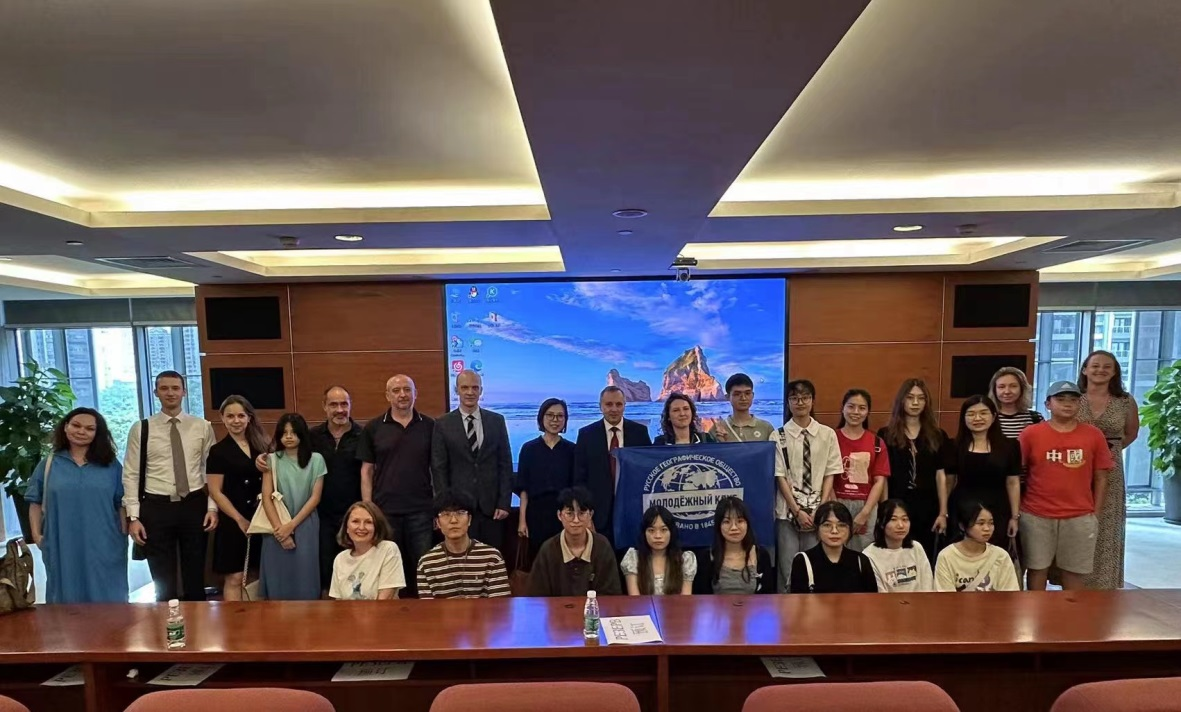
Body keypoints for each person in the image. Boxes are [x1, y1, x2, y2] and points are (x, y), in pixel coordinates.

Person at [123, 371, 217, 602]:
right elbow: (131, 473)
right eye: (164, 388)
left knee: (195, 574)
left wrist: (212, 507)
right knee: (162, 578)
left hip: (193, 504)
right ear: (156, 392)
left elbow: (211, 470)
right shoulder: (141, 428)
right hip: (156, 506)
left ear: (184, 392)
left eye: (175, 388)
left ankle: (198, 619)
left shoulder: (202, 427)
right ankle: (166, 619)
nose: (170, 393)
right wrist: (133, 517)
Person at [1019, 380, 1114, 592]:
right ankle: (1037, 610)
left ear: (1080, 404)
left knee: (1074, 572)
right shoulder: (1031, 434)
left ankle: (1072, 611)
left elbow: (1101, 476)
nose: (1067, 404)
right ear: (1048, 404)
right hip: (1036, 515)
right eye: (1060, 399)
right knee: (1037, 569)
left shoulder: (1093, 435)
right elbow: (1015, 474)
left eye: (1073, 400)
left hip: (1079, 516)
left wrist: (1095, 513)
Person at [26, 408, 127, 603]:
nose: (81, 431)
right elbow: (35, 501)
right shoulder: (49, 464)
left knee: (108, 596)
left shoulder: (110, 465)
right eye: (76, 425)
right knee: (65, 596)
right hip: (61, 541)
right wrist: (37, 535)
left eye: (90, 428)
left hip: (104, 542)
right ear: (65, 427)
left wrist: (122, 535)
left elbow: (121, 502)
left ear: (97, 433)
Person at [359, 375, 434, 597]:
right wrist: (368, 509)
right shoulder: (373, 427)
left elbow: (438, 468)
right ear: (388, 395)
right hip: (385, 511)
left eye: (407, 390)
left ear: (415, 393)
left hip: (421, 510)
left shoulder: (430, 426)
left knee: (423, 567)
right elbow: (366, 470)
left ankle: (425, 611)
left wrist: (438, 507)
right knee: (390, 569)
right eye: (396, 390)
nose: (402, 394)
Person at [770, 379, 842, 592]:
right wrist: (797, 510)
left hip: (818, 511)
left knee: (814, 567)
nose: (800, 402)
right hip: (787, 512)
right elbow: (779, 476)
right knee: (787, 568)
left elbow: (830, 473)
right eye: (794, 398)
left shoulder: (827, 434)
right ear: (788, 402)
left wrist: (821, 508)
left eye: (805, 398)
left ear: (812, 401)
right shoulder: (778, 435)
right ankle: (786, 609)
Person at [1076, 350, 1139, 590]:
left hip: (1111, 468)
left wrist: (1107, 452)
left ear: (1114, 372)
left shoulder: (1125, 401)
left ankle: (1104, 581)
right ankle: (1073, 580)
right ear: (1085, 370)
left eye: (1106, 367)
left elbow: (1131, 433)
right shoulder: (1074, 398)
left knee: (1106, 522)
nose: (1100, 370)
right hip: (1076, 465)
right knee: (1076, 520)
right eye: (1095, 366)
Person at [431, 369, 513, 552]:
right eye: (465, 387)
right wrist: (445, 508)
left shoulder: (496, 421)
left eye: (475, 388)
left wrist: (504, 502)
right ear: (457, 390)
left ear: (481, 391)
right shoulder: (443, 424)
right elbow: (439, 468)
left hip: (492, 508)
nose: (470, 392)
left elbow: (505, 464)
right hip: (458, 510)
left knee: (492, 557)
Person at [877, 379, 954, 560]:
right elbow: (883, 476)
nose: (915, 403)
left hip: (928, 506)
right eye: (910, 397)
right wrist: (885, 509)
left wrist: (943, 512)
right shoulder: (886, 434)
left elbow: (941, 476)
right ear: (901, 400)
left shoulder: (937, 435)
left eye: (921, 398)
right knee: (897, 555)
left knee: (926, 555)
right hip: (898, 503)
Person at [573, 386, 652, 549]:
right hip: (598, 515)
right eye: (609, 404)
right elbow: (579, 479)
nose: (614, 409)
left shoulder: (640, 432)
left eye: (618, 404)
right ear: (600, 406)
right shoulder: (586, 435)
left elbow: (647, 472)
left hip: (633, 514)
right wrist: (585, 515)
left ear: (624, 405)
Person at [258, 413, 326, 601]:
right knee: (277, 577)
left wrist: (291, 526)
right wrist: (280, 530)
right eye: (284, 432)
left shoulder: (316, 459)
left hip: (305, 524)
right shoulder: (271, 459)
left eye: (294, 432)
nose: (288, 436)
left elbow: (315, 498)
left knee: (305, 575)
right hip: (275, 525)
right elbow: (266, 497)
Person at [207, 396, 268, 601]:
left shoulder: (262, 446)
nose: (236, 421)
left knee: (256, 573)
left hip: (261, 517)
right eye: (230, 416)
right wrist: (239, 519)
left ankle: (255, 618)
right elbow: (215, 491)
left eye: (241, 416)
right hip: (233, 519)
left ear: (249, 418)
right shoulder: (218, 451)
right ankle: (234, 618)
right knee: (235, 576)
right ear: (222, 418)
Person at [309, 386, 364, 597]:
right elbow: (285, 455)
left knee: (354, 569)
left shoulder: (364, 435)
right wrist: (264, 460)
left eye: (344, 404)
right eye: (334, 404)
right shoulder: (312, 436)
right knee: (325, 569)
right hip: (321, 514)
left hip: (354, 516)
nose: (340, 410)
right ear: (324, 406)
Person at [948, 396, 1021, 550]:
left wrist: (1014, 517)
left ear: (993, 416)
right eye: (971, 414)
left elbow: (1013, 482)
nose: (977, 418)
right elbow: (949, 481)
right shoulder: (954, 446)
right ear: (963, 418)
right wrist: (943, 512)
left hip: (998, 510)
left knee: (995, 554)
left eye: (983, 413)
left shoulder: (1010, 446)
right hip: (963, 508)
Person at [823, 389, 889, 551]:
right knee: (834, 552)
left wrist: (865, 513)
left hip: (866, 505)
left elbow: (879, 481)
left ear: (868, 412)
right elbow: (826, 475)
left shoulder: (877, 442)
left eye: (862, 408)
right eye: (851, 406)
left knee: (863, 555)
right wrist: (835, 508)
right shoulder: (830, 438)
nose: (856, 412)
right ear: (842, 408)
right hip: (836, 502)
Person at [417, 488, 511, 599]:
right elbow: (427, 608)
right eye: (446, 514)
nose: (453, 520)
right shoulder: (426, 563)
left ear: (469, 519)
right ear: (438, 522)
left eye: (460, 513)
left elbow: (500, 605)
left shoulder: (492, 557)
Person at [528, 486, 622, 596]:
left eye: (581, 513)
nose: (576, 520)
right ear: (559, 515)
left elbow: (612, 595)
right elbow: (536, 596)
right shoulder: (548, 550)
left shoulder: (602, 547)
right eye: (569, 514)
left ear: (590, 515)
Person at [516, 398, 575, 560]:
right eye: (550, 415)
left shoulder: (572, 450)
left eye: (560, 416)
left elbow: (575, 488)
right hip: (536, 514)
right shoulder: (529, 449)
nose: (555, 420)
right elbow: (523, 489)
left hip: (563, 513)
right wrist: (522, 520)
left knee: (563, 560)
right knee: (538, 560)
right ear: (541, 417)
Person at [789, 501, 878, 594]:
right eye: (827, 525)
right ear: (817, 528)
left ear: (850, 529)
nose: (834, 531)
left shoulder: (861, 561)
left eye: (841, 525)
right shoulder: (802, 560)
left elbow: (872, 599)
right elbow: (798, 600)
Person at [934, 500, 1020, 592]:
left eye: (991, 523)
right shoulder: (947, 556)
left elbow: (1010, 594)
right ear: (962, 526)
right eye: (980, 523)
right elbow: (945, 596)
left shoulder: (1001, 556)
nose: (987, 528)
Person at [694, 496, 774, 595]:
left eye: (740, 521)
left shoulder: (762, 556)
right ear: (719, 526)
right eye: (727, 522)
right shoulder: (706, 558)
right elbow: (701, 598)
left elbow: (768, 596)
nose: (734, 528)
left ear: (747, 524)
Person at [329, 501, 405, 600]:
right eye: (355, 521)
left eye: (368, 522)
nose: (361, 527)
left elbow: (385, 600)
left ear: (377, 527)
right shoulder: (340, 559)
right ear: (347, 528)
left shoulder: (388, 549)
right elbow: (338, 603)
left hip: (382, 610)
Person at [621, 505, 696, 595]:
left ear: (671, 532)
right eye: (651, 530)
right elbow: (635, 599)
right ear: (644, 533)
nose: (658, 536)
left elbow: (685, 599)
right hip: (642, 605)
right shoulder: (633, 559)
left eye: (663, 530)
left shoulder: (685, 560)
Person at [864, 499, 934, 593]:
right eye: (893, 519)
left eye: (905, 519)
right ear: (881, 523)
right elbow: (879, 594)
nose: (901, 525)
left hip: (920, 601)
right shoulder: (869, 555)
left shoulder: (916, 547)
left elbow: (927, 584)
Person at [713, 373, 775, 443]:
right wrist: (722, 442)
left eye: (747, 393)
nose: (743, 398)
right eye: (737, 394)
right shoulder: (717, 429)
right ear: (728, 397)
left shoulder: (766, 428)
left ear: (752, 395)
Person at [988, 367, 1044, 440]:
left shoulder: (1036, 418)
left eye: (1013, 386)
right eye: (1001, 387)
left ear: (1022, 389)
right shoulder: (987, 418)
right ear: (994, 390)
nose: (1007, 391)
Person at [653, 392, 718, 445]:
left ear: (692, 413)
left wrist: (723, 441)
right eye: (676, 410)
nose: (682, 414)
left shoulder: (705, 440)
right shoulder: (660, 443)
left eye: (686, 409)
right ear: (668, 416)